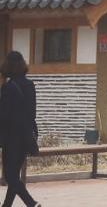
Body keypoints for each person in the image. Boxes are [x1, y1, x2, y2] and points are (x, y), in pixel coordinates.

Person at [0, 51, 40, 207]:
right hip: (26, 136)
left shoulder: (8, 87)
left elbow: (4, 116)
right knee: (14, 175)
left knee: (10, 176)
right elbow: (32, 113)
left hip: (11, 138)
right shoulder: (30, 85)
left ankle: (32, 203)